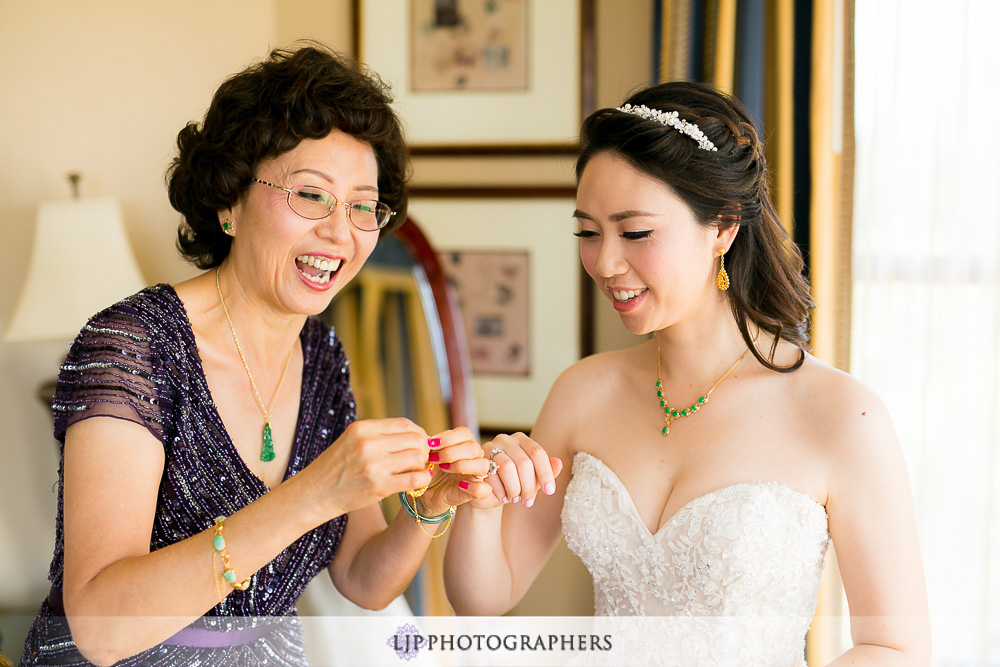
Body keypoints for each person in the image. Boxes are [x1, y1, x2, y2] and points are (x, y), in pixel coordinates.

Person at [20, 45, 493, 666]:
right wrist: (313, 495)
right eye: (312, 195)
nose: (341, 231)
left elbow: (363, 580)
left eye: (363, 207)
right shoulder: (134, 347)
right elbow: (103, 628)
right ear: (230, 200)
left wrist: (428, 510)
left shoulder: (322, 356)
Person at [444, 82, 930, 664]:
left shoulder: (841, 414)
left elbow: (896, 646)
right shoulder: (582, 392)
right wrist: (481, 503)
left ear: (723, 227)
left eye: (636, 232)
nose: (605, 263)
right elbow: (484, 598)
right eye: (588, 232)